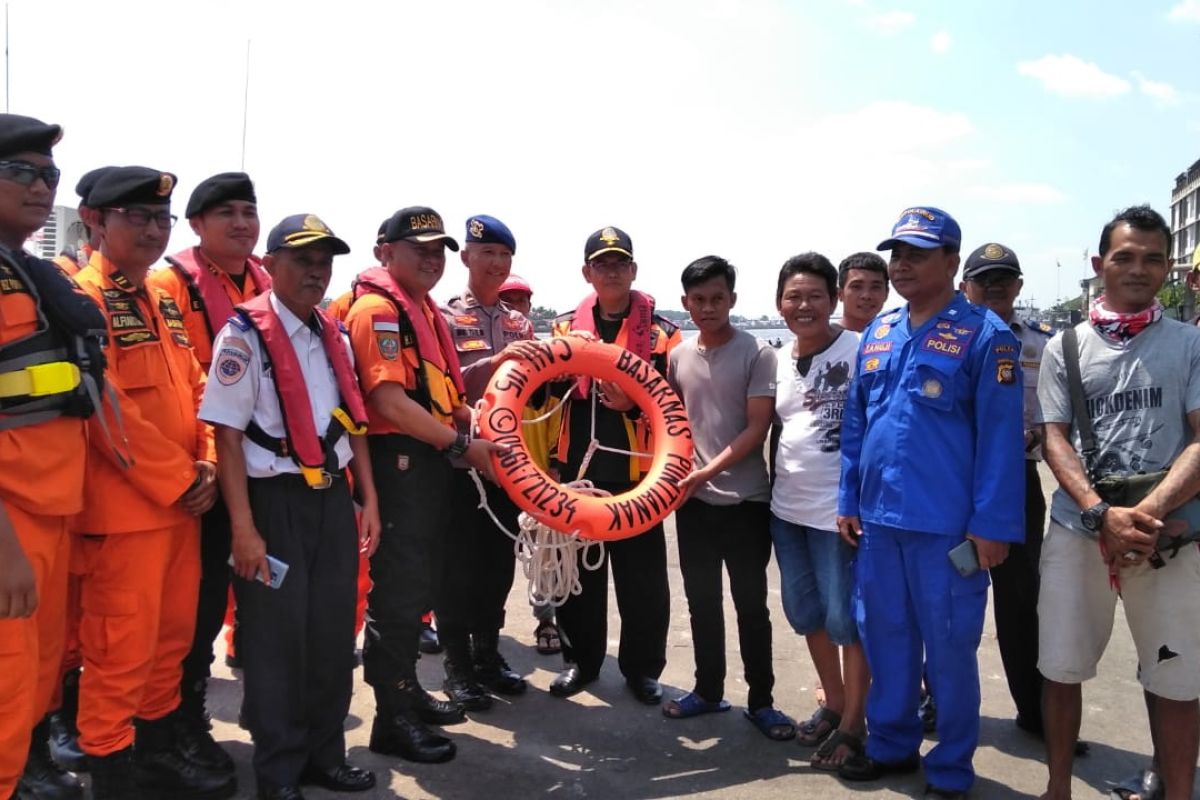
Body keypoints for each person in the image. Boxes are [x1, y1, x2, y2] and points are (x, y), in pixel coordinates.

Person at [835, 206, 1024, 799]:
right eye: (897, 253)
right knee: (885, 636)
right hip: (880, 524)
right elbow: (857, 423)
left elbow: (1000, 441)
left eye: (918, 253)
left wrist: (992, 527)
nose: (902, 265)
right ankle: (891, 746)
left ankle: (950, 767)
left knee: (948, 650)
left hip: (948, 531)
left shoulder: (986, 335)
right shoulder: (880, 332)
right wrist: (849, 497)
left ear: (951, 261)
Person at [200, 213, 381, 800]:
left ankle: (325, 756)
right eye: (301, 260)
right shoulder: (243, 336)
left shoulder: (329, 333)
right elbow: (227, 437)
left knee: (331, 635)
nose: (314, 271)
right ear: (271, 264)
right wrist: (244, 530)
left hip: (331, 501)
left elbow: (352, 423)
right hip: (272, 503)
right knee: (277, 645)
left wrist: (368, 499)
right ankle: (278, 774)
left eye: (323, 261)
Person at [71, 166, 234, 799]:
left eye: (160, 218)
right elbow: (103, 405)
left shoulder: (160, 298)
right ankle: (112, 771)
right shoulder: (81, 299)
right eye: (136, 216)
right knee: (119, 651)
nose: (151, 229)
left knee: (171, 642)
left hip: (183, 507)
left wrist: (212, 462)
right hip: (126, 514)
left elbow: (199, 388)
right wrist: (179, 478)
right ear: (95, 221)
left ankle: (159, 753)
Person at [1037, 205, 1200, 800]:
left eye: (1154, 258)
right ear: (1099, 264)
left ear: (1168, 267)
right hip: (1080, 529)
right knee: (1060, 665)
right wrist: (1101, 515)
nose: (1139, 269)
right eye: (1125, 257)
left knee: (1178, 677)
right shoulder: (1067, 347)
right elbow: (1054, 436)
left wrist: (1143, 516)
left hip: (1168, 535)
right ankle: (1058, 786)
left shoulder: (1188, 343)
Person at [345, 206, 502, 763]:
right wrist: (462, 445)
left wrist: (461, 413)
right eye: (420, 249)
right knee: (398, 593)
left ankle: (407, 693)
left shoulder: (420, 309)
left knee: (417, 588)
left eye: (439, 250)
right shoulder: (378, 311)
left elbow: (432, 389)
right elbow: (386, 401)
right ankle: (391, 720)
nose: (433, 259)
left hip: (427, 457)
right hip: (400, 460)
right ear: (384, 252)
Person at [0, 113, 108, 800]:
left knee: (29, 692)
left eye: (51, 176)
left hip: (51, 518)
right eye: (22, 172)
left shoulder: (30, 273)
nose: (42, 187)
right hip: (10, 528)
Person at [149, 170, 269, 774]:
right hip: (198, 472)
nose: (242, 223)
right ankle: (181, 720)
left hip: (260, 469)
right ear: (196, 226)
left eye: (249, 211)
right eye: (226, 213)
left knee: (249, 595)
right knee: (190, 610)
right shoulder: (169, 286)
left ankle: (252, 707)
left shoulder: (268, 284)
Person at [547, 226, 679, 704]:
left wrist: (633, 403)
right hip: (578, 471)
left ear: (634, 270)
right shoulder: (563, 329)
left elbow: (676, 406)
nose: (611, 270)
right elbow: (543, 393)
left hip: (640, 476)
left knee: (643, 582)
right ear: (587, 272)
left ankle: (642, 670)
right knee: (577, 578)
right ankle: (580, 663)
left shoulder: (665, 334)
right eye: (601, 263)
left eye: (619, 262)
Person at [664, 255, 788, 739]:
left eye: (718, 298)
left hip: (746, 503)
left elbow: (757, 429)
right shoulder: (678, 355)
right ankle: (708, 690)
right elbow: (667, 419)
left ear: (733, 300)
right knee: (701, 602)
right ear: (685, 303)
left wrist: (705, 471)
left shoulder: (758, 353)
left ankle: (762, 701)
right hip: (693, 504)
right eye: (699, 300)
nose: (708, 307)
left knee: (751, 604)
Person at [770, 252, 869, 767]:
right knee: (806, 613)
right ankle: (833, 702)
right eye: (793, 296)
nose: (803, 305)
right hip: (787, 512)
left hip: (840, 515)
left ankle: (855, 722)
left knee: (847, 621)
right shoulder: (777, 359)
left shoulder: (862, 350)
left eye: (814, 295)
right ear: (778, 303)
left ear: (833, 299)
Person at [959, 242, 1059, 741]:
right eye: (983, 279)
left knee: (1021, 600)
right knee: (947, 594)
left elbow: (1058, 419)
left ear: (1019, 285)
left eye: (1004, 278)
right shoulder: (944, 336)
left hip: (1017, 481)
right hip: (954, 482)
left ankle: (1036, 712)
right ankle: (937, 700)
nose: (994, 287)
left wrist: (1035, 436)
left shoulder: (1044, 345)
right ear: (965, 286)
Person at [437, 215, 533, 710]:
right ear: (467, 258)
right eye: (487, 253)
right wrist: (491, 366)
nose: (496, 264)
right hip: (457, 463)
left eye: (504, 256)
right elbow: (442, 388)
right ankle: (457, 666)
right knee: (456, 569)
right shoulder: (444, 319)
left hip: (506, 466)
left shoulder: (520, 324)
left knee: (497, 567)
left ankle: (489, 655)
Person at [497, 273, 562, 655]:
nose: (515, 308)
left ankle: (547, 622)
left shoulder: (549, 362)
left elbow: (558, 414)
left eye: (521, 301)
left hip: (538, 474)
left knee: (546, 559)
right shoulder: (487, 358)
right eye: (508, 301)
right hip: (493, 475)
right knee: (489, 561)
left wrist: (554, 463)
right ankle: (485, 628)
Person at [836, 251, 889, 333]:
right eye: (856, 287)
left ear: (886, 293)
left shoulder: (896, 340)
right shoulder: (820, 340)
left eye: (875, 287)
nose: (866, 295)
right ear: (839, 294)